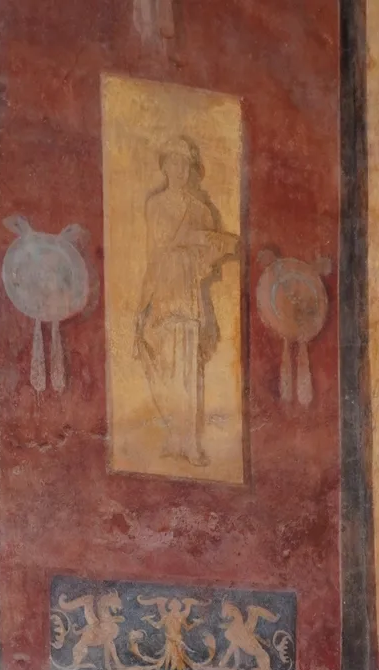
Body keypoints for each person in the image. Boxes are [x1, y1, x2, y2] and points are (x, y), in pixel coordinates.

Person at [135, 136, 239, 467]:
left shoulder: (201, 210)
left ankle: (190, 441)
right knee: (164, 365)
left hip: (189, 292)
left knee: (189, 368)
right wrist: (144, 300)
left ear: (191, 169)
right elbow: (157, 249)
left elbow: (209, 260)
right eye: (174, 162)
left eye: (185, 164)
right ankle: (173, 435)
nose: (179, 169)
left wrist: (214, 248)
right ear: (165, 166)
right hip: (163, 288)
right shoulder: (156, 205)